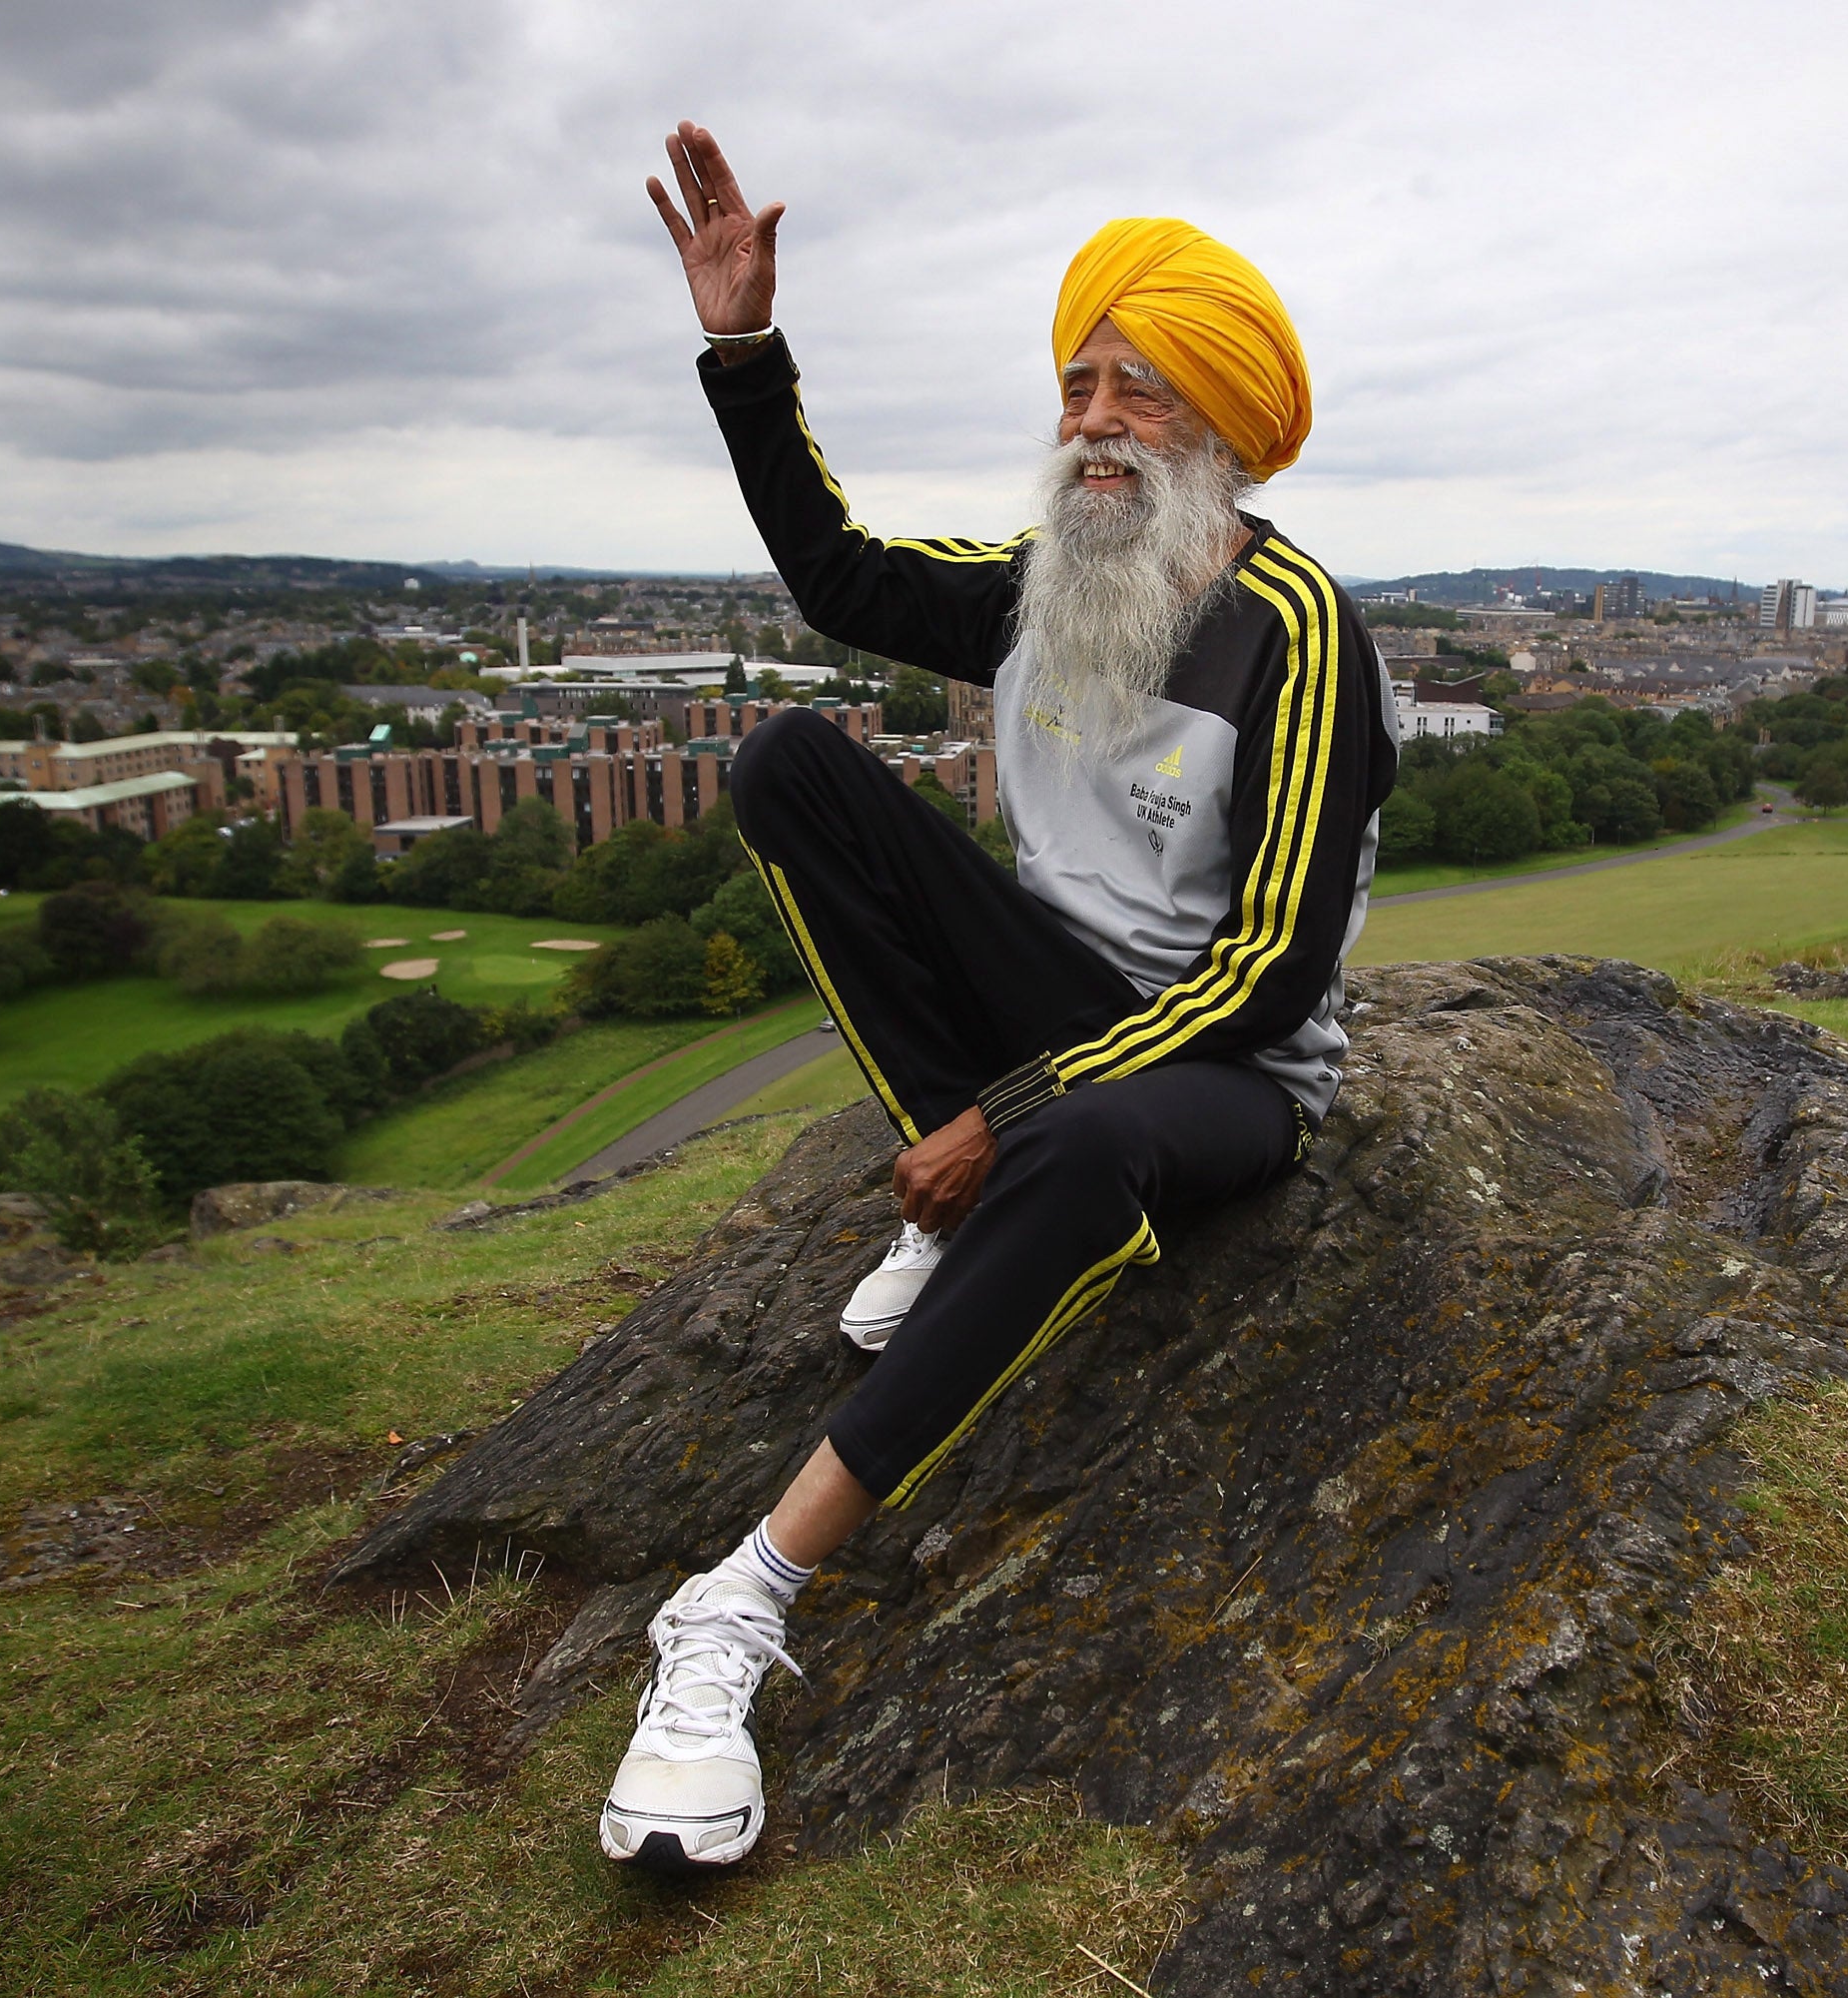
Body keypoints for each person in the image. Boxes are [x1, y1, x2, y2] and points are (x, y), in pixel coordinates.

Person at [597, 122, 1396, 1875]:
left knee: (1087, 1137)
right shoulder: (1048, 590)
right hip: (1048, 1016)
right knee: (795, 761)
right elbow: (837, 577)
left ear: (1226, 430)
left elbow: (1275, 967)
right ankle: (983, 1184)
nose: (1097, 416)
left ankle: (739, 1599)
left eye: (1142, 387)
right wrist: (744, 347)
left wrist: (1011, 1115)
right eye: (1079, 382)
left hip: (1225, 1067)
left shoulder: (1301, 629)